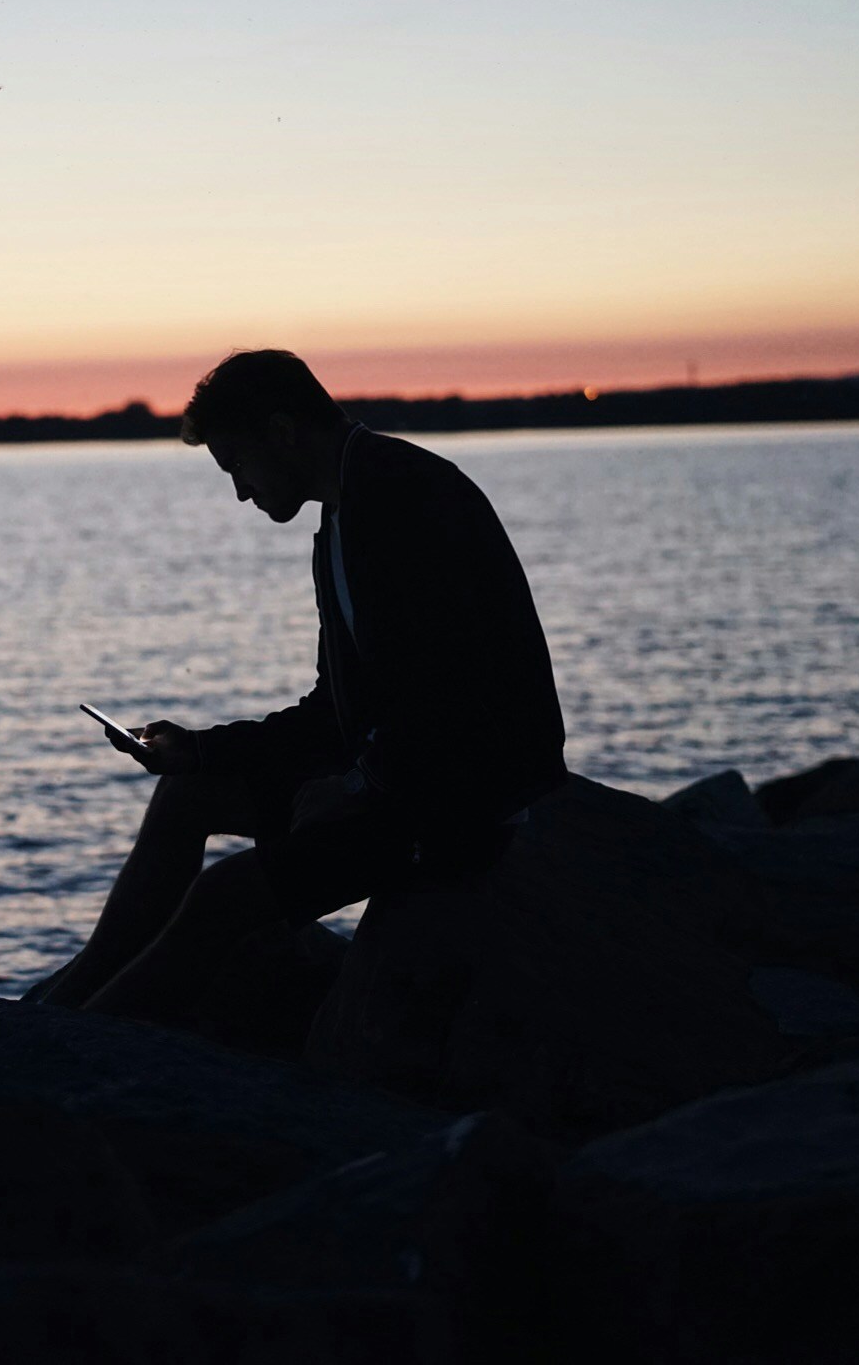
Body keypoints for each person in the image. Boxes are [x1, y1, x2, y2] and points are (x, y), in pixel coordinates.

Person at [41, 349, 567, 1024]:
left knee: (225, 898)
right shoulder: (344, 516)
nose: (239, 492)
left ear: (283, 433)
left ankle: (80, 1044)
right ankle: (70, 1002)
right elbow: (333, 713)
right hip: (398, 781)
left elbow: (451, 702)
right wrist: (198, 750)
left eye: (237, 467)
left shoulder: (405, 498)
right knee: (185, 796)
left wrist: (356, 790)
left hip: (460, 802)